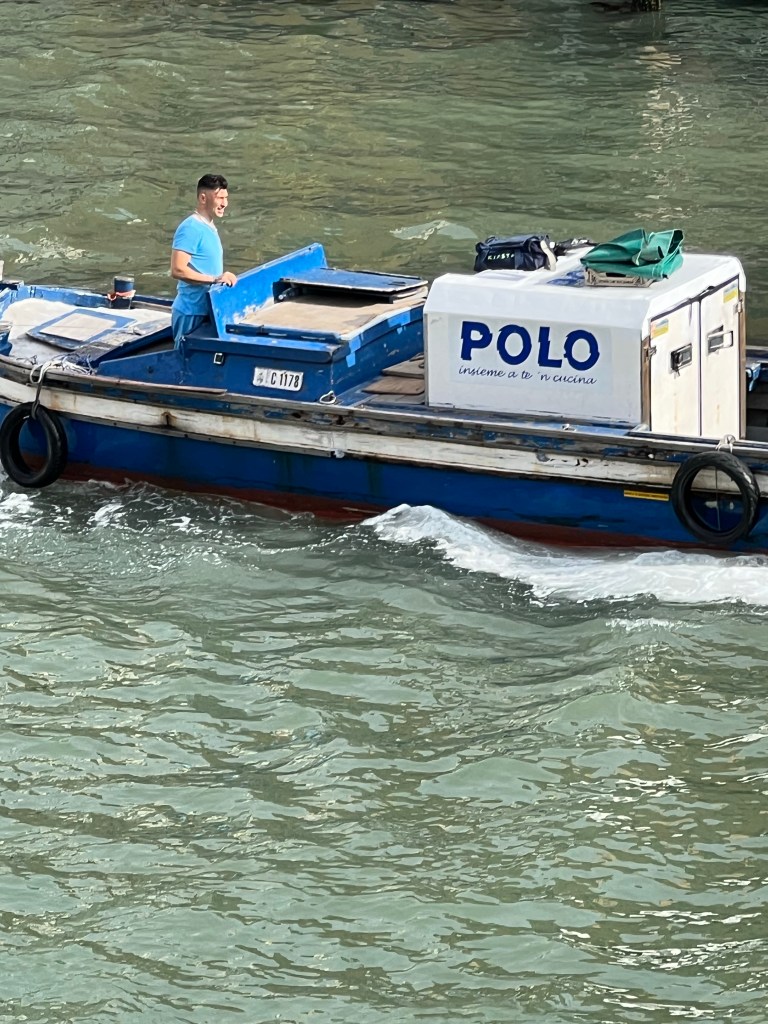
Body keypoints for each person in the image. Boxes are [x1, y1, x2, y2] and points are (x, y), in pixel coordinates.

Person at [170, 173, 238, 343]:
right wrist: (215, 279)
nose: (225, 203)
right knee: (184, 356)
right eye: (220, 198)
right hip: (191, 311)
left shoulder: (209, 226)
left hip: (207, 309)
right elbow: (177, 270)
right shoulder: (191, 228)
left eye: (226, 198)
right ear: (203, 198)